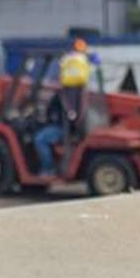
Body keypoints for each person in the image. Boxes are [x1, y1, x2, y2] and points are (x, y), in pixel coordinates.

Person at [34, 40, 93, 176]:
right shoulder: (80, 89)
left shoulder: (65, 93)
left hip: (64, 128)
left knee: (39, 139)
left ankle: (48, 168)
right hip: (71, 126)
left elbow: (51, 110)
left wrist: (45, 115)